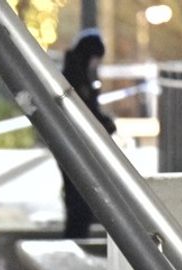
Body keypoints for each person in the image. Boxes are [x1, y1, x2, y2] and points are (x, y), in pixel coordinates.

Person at [59, 28, 116, 239]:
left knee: (79, 197)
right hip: (75, 145)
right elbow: (85, 111)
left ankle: (76, 234)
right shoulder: (76, 77)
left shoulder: (76, 73)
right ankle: (75, 236)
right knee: (79, 198)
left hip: (74, 144)